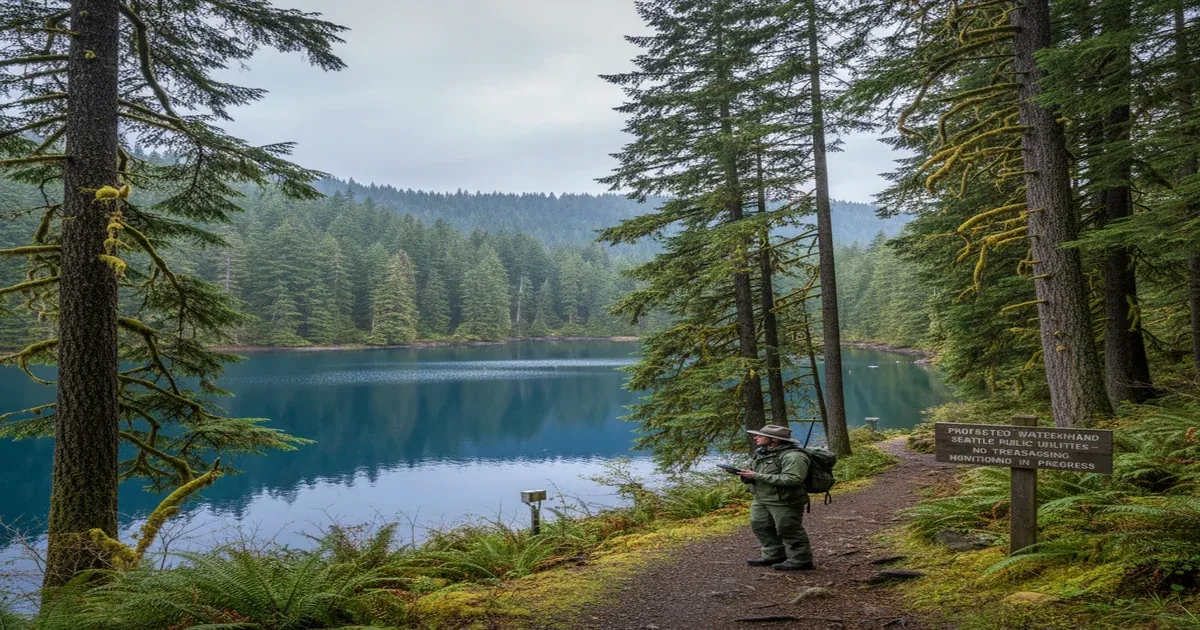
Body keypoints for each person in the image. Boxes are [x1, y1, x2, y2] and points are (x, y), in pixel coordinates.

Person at [737, 424, 815, 571]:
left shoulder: (794, 456)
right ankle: (774, 555)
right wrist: (747, 477)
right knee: (760, 525)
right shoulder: (763, 453)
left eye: (760, 436)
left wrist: (757, 476)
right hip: (761, 498)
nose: (756, 438)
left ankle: (801, 560)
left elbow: (794, 479)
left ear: (774, 439)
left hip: (785, 500)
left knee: (788, 528)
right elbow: (759, 474)